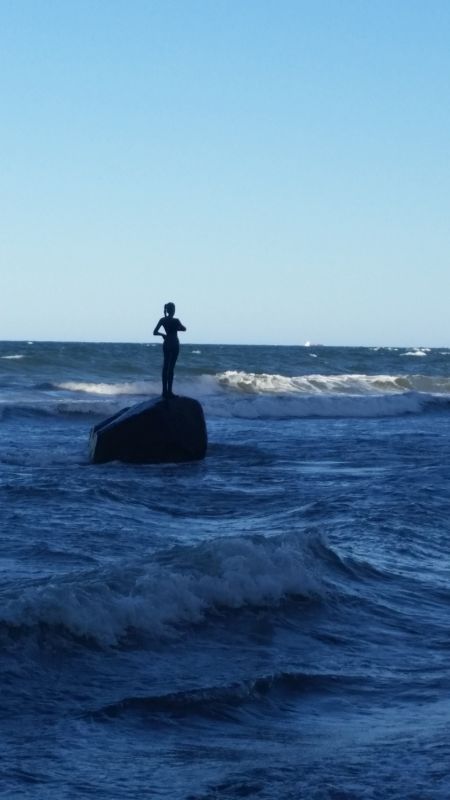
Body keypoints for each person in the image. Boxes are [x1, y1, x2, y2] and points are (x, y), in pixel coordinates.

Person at [153, 302, 186, 398]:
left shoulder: (162, 320)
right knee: (171, 368)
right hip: (174, 343)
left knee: (165, 367)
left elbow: (155, 332)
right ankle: (169, 391)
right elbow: (184, 329)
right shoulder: (176, 321)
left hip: (167, 343)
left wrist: (163, 334)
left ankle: (164, 391)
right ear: (172, 311)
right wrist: (177, 328)